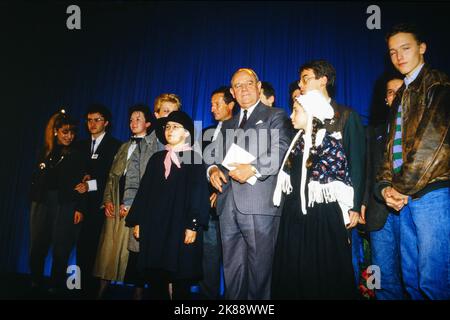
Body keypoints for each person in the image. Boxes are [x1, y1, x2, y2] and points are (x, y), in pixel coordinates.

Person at [376, 23, 450, 300]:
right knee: (412, 280)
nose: (399, 57)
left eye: (405, 48)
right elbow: (388, 148)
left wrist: (400, 187)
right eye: (393, 52)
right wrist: (385, 187)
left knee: (434, 282)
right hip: (405, 197)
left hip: (432, 194)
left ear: (422, 48)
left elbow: (432, 143)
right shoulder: (403, 93)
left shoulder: (438, 83)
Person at [208, 68, 290, 300]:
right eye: (238, 85)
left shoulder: (276, 115)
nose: (243, 88)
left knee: (260, 272)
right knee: (232, 270)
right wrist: (212, 170)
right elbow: (212, 156)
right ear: (232, 93)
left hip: (259, 205)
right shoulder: (227, 124)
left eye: (248, 83)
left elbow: (281, 149)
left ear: (258, 85)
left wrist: (253, 168)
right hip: (227, 205)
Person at [271, 90, 357, 299]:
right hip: (294, 218)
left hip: (321, 218)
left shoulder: (330, 144)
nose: (291, 116)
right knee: (294, 271)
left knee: (321, 272)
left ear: (310, 114)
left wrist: (345, 217)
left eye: (296, 111)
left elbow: (341, 182)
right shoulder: (296, 144)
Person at [125, 111, 210, 300]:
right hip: (155, 228)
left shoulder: (193, 159)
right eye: (167, 126)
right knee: (156, 278)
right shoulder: (156, 159)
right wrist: (138, 221)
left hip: (179, 228)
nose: (169, 130)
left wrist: (193, 225)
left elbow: (198, 195)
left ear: (187, 133)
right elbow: (144, 192)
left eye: (175, 127)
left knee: (180, 278)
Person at [298, 60, 366, 287]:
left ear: (323, 80)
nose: (301, 84)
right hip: (310, 206)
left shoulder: (346, 115)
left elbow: (357, 162)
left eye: (306, 78)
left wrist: (355, 205)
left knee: (345, 261)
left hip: (339, 204)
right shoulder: (302, 116)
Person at [122, 93, 181, 299]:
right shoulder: (144, 145)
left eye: (173, 113)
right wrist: (131, 206)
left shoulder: (187, 144)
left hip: (172, 216)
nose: (169, 117)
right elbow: (131, 180)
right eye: (165, 111)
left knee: (171, 266)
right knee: (143, 265)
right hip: (147, 213)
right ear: (156, 114)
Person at [92, 104, 151, 299]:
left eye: (138, 119)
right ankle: (102, 289)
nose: (133, 123)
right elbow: (111, 176)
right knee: (107, 248)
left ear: (148, 123)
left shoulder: (152, 147)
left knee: (134, 250)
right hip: (116, 201)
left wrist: (136, 204)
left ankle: (137, 291)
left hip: (137, 203)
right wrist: (107, 200)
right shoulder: (123, 146)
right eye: (131, 120)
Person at [29, 110, 85, 295]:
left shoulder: (77, 153)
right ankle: (35, 280)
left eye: (72, 132)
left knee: (61, 247)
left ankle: (56, 284)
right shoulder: (45, 151)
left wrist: (86, 188)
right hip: (42, 202)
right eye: (65, 132)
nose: (69, 136)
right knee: (37, 243)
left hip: (64, 203)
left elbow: (91, 181)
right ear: (55, 131)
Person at [362, 75, 406, 300]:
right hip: (378, 212)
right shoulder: (372, 133)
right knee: (379, 272)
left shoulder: (424, 130)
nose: (395, 95)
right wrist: (361, 204)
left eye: (400, 90)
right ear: (386, 99)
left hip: (412, 210)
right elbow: (367, 172)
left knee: (415, 274)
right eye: (390, 92)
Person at [75, 104, 121, 298]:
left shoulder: (115, 145)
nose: (92, 124)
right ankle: (77, 288)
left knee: (96, 251)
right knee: (79, 250)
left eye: (97, 120)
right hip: (78, 205)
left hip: (100, 207)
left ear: (106, 122)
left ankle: (94, 292)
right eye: (89, 120)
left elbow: (111, 177)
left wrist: (90, 185)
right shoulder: (79, 145)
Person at [198, 86, 235, 299]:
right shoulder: (204, 134)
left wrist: (222, 191)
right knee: (208, 262)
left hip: (232, 205)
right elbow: (199, 166)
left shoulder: (243, 131)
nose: (212, 108)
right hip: (208, 210)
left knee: (234, 263)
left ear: (231, 104)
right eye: (211, 104)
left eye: (217, 104)